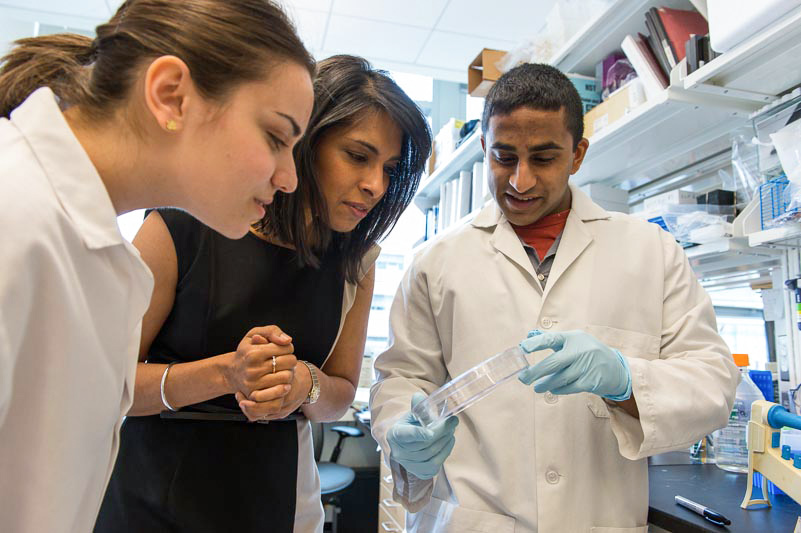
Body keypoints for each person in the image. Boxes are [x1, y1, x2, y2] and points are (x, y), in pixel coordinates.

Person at [369, 63, 739, 533]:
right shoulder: (433, 262)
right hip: (474, 521)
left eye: (543, 158)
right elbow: (402, 377)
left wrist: (626, 380)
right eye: (504, 157)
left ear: (577, 154)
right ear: (484, 147)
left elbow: (713, 384)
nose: (520, 181)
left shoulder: (652, 252)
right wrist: (402, 427)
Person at [0, 1, 315, 531]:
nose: (289, 178)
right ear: (172, 95)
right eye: (275, 138)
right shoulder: (15, 211)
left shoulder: (97, 252)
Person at [94, 55, 432, 532]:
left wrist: (302, 385)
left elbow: (339, 393)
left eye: (390, 169)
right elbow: (107, 383)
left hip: (276, 496)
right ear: (304, 143)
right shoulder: (180, 227)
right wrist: (225, 374)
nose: (375, 185)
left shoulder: (355, 262)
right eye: (357, 156)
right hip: (155, 492)